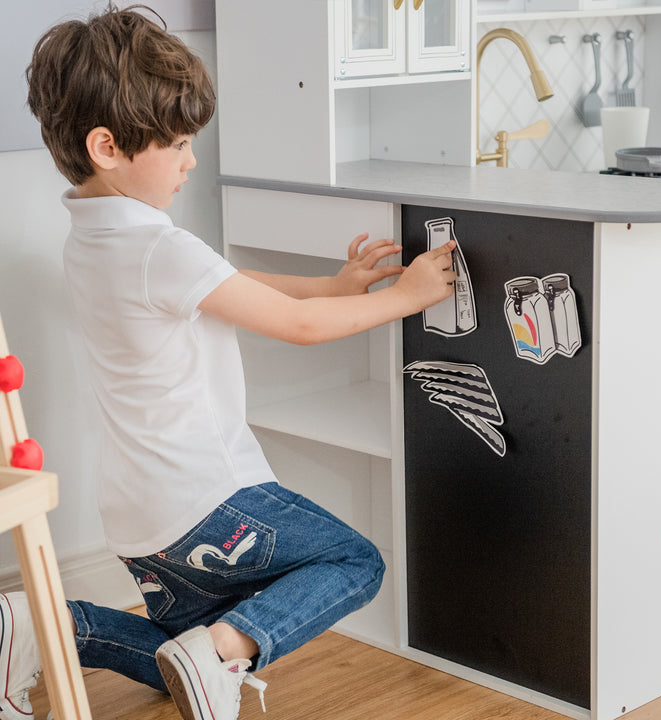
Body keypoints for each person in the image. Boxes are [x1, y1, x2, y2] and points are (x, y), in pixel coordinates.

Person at [1, 5, 456, 720]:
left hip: (139, 519)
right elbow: (298, 326)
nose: (189, 161)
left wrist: (331, 285)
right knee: (353, 562)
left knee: (171, 652)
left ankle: (44, 624)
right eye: (178, 144)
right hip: (206, 498)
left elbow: (226, 290)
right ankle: (217, 652)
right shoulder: (157, 246)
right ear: (107, 147)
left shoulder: (92, 237)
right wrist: (409, 296)